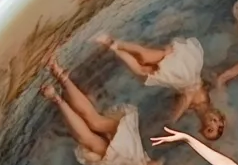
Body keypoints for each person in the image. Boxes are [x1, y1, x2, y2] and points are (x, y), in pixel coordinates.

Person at [96, 34, 227, 140]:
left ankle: (112, 44)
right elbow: (188, 95)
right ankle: (111, 42)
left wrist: (173, 116)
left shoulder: (195, 110)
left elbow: (182, 97)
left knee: (142, 69)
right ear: (218, 120)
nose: (208, 124)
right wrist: (174, 119)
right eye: (212, 126)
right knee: (144, 59)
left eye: (206, 130)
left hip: (178, 77)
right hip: (183, 72)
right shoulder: (204, 102)